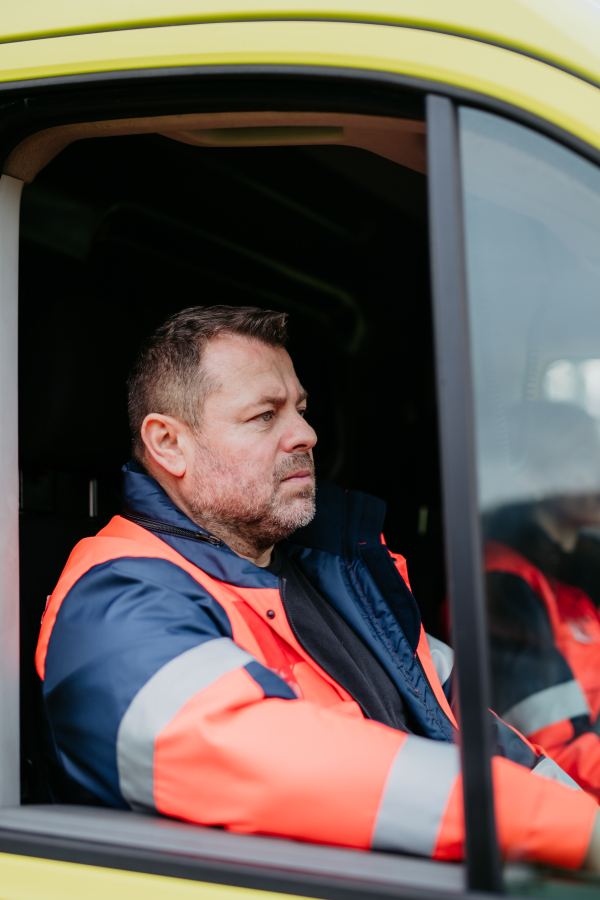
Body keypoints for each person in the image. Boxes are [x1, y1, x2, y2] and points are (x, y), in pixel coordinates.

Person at [37, 307, 600, 870]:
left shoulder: (340, 577)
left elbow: (475, 732)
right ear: (168, 444)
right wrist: (571, 833)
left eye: (301, 410)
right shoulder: (113, 599)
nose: (305, 434)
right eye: (264, 416)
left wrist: (578, 819)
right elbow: (265, 762)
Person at [486, 401, 600, 801]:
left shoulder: (578, 567)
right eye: (584, 454)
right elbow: (553, 750)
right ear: (535, 476)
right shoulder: (503, 584)